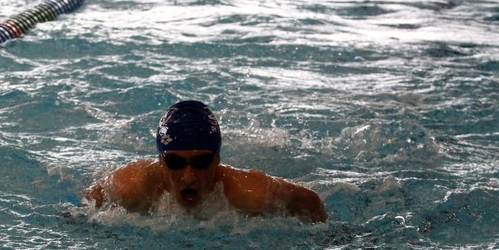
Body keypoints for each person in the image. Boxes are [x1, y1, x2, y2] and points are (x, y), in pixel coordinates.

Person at [85, 100, 327, 222]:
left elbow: (310, 201)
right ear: (161, 162)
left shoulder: (250, 192)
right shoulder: (131, 185)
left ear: (217, 161)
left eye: (200, 162)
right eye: (176, 163)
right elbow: (90, 201)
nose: (188, 176)